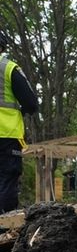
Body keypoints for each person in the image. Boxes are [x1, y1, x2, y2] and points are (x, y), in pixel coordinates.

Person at [0, 33, 38, 213]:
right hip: (6, 135)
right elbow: (31, 103)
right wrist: (22, 111)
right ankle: (4, 232)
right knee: (7, 179)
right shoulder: (8, 68)